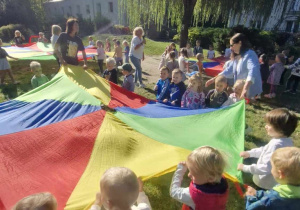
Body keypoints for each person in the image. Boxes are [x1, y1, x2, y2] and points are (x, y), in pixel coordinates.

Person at [238, 108, 297, 190]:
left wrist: (244, 167)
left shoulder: (276, 145)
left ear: (279, 128)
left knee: (258, 193)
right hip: (272, 179)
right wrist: (250, 153)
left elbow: (265, 168)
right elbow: (265, 150)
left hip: (264, 182)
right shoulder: (286, 140)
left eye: (269, 125)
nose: (265, 126)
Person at [206, 33, 262, 100]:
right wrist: (213, 79)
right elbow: (228, 71)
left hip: (250, 92)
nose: (230, 48)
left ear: (240, 43)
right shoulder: (237, 57)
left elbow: (253, 70)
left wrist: (245, 88)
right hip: (240, 92)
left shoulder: (250, 54)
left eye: (232, 45)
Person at [170, 146, 229, 210]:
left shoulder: (193, 196)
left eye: (193, 175)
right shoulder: (223, 185)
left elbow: (174, 192)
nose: (188, 175)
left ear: (210, 178)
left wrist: (180, 170)